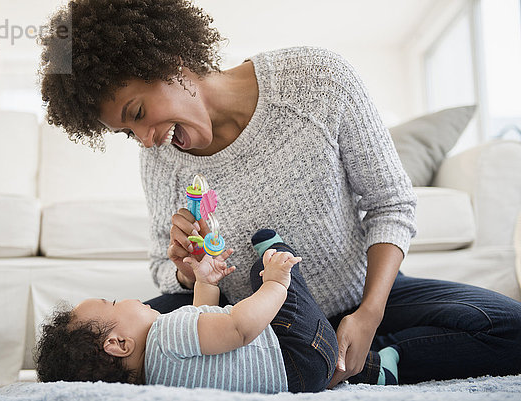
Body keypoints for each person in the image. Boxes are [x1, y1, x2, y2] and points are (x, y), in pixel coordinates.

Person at [39, 0, 521, 387]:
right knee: (114, 356)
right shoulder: (160, 159)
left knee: (509, 328)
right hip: (232, 320)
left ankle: (363, 356)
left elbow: (390, 204)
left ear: (170, 62)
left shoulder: (315, 80)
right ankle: (314, 358)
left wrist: (369, 313)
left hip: (356, 295)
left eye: (139, 111)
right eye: (128, 132)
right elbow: (164, 271)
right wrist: (187, 272)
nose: (145, 140)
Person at [35, 230, 400, 392]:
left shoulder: (158, 377)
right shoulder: (165, 334)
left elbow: (202, 318)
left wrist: (205, 282)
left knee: (267, 307)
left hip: (302, 381)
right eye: (114, 304)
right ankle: (279, 257)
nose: (127, 300)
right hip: (299, 351)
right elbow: (240, 328)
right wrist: (274, 282)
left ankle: (374, 372)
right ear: (118, 343)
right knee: (273, 263)